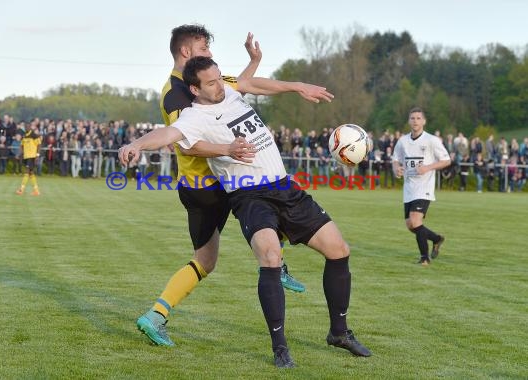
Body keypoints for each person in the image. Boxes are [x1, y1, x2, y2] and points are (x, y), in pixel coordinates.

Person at [119, 56, 370, 368]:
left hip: (285, 189)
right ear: (195, 90)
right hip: (250, 198)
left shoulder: (230, 91)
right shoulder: (194, 117)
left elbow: (257, 84)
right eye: (211, 83)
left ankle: (339, 332)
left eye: (219, 78)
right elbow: (167, 135)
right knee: (270, 257)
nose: (219, 86)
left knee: (339, 250)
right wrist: (136, 145)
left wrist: (296, 86)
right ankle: (280, 349)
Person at [133, 25, 305, 347]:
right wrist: (228, 150)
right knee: (265, 202)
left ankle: (156, 315)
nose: (210, 53)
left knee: (209, 257)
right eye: (203, 48)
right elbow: (186, 143)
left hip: (215, 181)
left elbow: (239, 88)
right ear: (186, 52)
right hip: (208, 186)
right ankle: (277, 266)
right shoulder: (178, 93)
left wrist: (257, 65)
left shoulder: (201, 82)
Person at [392, 108, 450, 266]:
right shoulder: (403, 141)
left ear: (424, 121)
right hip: (409, 188)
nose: (415, 121)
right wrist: (396, 168)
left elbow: (446, 160)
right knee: (411, 225)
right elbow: (395, 159)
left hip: (424, 187)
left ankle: (425, 258)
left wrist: (428, 167)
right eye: (412, 118)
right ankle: (437, 239)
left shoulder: (431, 140)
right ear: (409, 121)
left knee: (415, 221)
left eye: (418, 118)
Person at [16, 122, 42, 196]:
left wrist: (37, 155)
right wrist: (19, 154)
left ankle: (21, 189)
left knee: (26, 172)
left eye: (28, 127)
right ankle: (36, 190)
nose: (27, 128)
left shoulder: (34, 135)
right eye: (25, 127)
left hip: (32, 157)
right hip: (26, 157)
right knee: (31, 173)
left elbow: (39, 145)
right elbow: (22, 145)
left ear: (30, 127)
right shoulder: (24, 136)